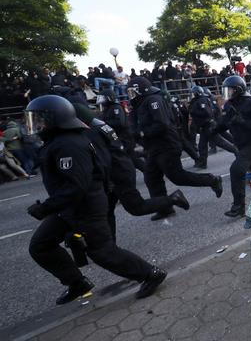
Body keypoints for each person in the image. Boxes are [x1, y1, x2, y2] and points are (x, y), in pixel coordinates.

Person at [25, 95, 166, 304]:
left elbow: (76, 186)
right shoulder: (59, 141)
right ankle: (76, 282)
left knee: (102, 252)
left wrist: (46, 208)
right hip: (68, 207)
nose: (37, 124)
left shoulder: (69, 144)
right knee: (40, 245)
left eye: (40, 119)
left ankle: (150, 273)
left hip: (86, 206)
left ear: (56, 118)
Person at [73, 102, 190, 238]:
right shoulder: (99, 125)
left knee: (136, 207)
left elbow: (103, 158)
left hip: (117, 173)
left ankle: (173, 199)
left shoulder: (91, 132)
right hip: (119, 168)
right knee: (107, 211)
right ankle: (109, 242)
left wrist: (104, 178)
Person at [127, 77, 223, 220]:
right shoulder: (139, 104)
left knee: (177, 176)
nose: (131, 96)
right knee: (151, 177)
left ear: (141, 90)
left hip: (167, 144)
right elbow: (133, 124)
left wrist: (142, 133)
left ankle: (212, 180)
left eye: (132, 92)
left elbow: (162, 124)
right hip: (153, 146)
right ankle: (164, 208)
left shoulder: (154, 100)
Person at [213, 76, 251, 217]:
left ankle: (238, 206)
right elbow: (224, 122)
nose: (228, 93)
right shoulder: (230, 105)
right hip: (240, 145)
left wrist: (243, 121)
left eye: (230, 90)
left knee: (237, 170)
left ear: (238, 90)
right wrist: (213, 130)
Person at [97, 89, 145, 172]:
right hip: (118, 137)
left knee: (130, 157)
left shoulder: (116, 107)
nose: (101, 101)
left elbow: (120, 122)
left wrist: (105, 123)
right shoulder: (107, 109)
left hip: (125, 137)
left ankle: (148, 169)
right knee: (129, 155)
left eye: (103, 98)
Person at [189, 86, 214, 168]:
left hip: (208, 125)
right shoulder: (197, 101)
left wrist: (195, 112)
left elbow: (207, 113)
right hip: (203, 126)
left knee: (221, 142)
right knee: (202, 146)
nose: (192, 95)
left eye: (193, 94)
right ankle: (203, 163)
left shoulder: (202, 100)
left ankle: (236, 151)